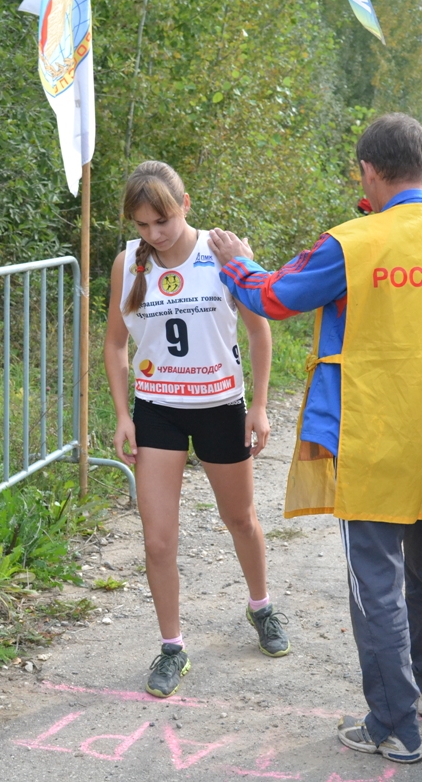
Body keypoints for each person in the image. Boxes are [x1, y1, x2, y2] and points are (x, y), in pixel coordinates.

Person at [208, 113, 422, 764]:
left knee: (374, 584)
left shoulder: (353, 242)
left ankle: (391, 725)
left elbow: (273, 297)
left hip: (371, 438)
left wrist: (236, 264)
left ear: (368, 172)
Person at [104, 160, 289, 699]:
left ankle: (261, 607)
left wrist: (258, 405)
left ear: (184, 205)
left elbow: (259, 332)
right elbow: (116, 344)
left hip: (219, 406)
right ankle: (172, 647)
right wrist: (122, 414)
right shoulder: (128, 266)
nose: (154, 234)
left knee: (242, 519)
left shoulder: (224, 250)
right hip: (158, 411)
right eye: (141, 225)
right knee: (157, 541)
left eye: (161, 220)